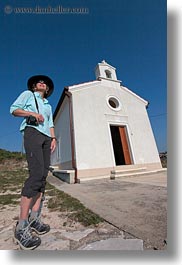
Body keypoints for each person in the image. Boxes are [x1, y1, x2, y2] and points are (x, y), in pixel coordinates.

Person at [10, 75, 57, 250]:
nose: (42, 83)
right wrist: (32, 113)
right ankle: (21, 226)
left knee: (43, 177)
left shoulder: (48, 105)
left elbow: (50, 123)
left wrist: (53, 138)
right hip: (33, 133)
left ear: (48, 89)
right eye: (39, 81)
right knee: (36, 174)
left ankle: (35, 219)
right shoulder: (28, 95)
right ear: (34, 86)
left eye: (45, 82)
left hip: (46, 138)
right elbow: (14, 109)